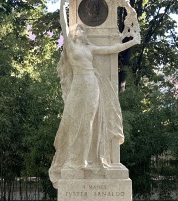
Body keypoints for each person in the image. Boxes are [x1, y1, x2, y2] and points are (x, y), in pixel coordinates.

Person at [49, 23, 139, 185]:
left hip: (91, 84)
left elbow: (110, 49)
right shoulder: (69, 46)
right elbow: (63, 23)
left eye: (83, 30)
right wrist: (64, 1)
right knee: (73, 122)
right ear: (73, 33)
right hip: (77, 85)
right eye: (78, 29)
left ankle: (84, 160)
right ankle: (73, 158)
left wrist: (132, 42)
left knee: (89, 122)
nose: (81, 32)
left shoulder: (90, 48)